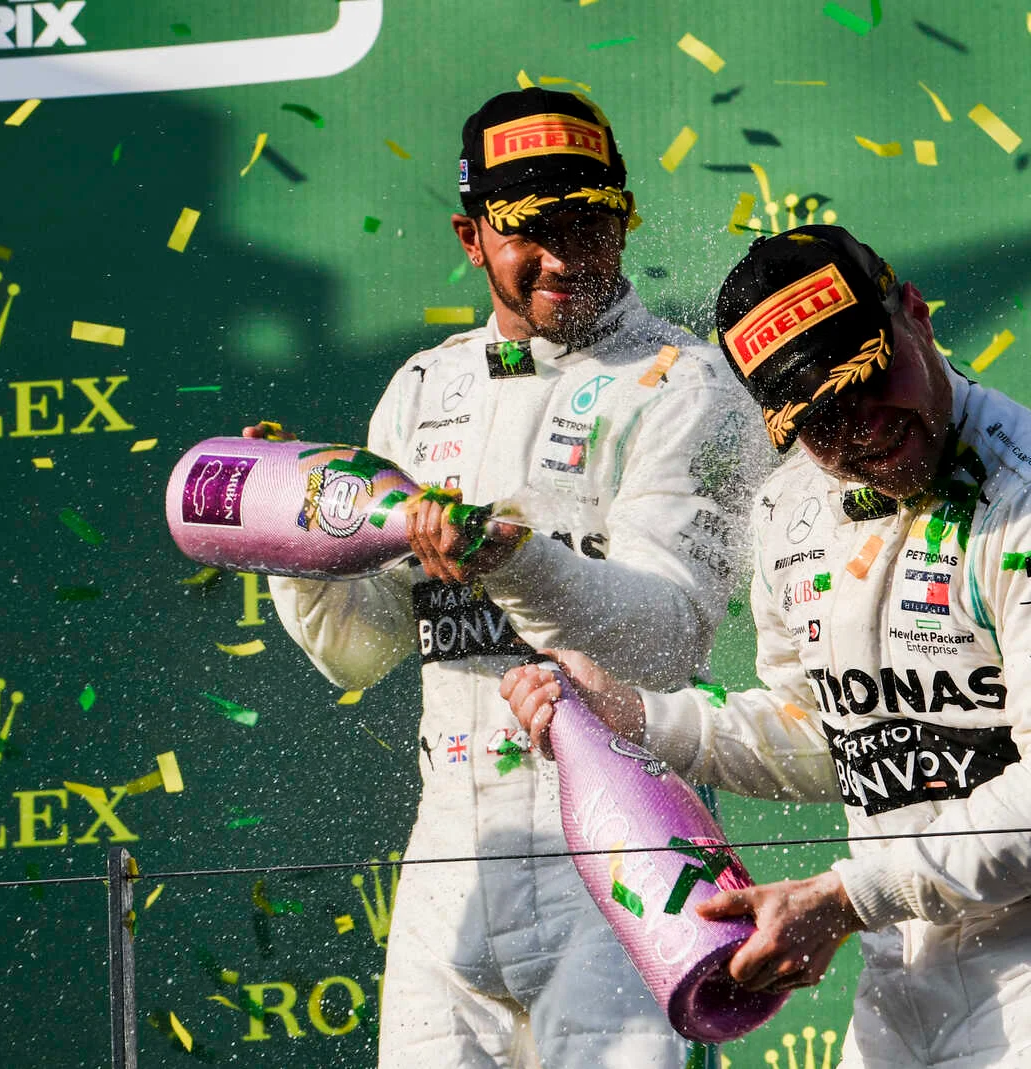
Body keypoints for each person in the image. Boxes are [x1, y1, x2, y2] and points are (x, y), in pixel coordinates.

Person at [501, 226, 1031, 1068]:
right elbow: (828, 735)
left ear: (915, 314)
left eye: (865, 380)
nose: (858, 427)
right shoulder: (789, 510)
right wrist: (633, 716)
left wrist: (843, 898)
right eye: (816, 418)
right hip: (895, 972)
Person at [259, 88, 766, 1068]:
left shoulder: (684, 385)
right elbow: (362, 649)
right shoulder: (420, 390)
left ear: (625, 220)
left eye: (593, 223)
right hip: (450, 852)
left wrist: (511, 558)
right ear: (469, 235)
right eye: (536, 231)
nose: (570, 257)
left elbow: (666, 639)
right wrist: (295, 544)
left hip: (625, 845)